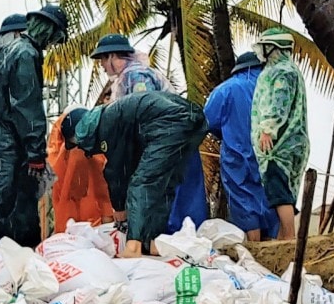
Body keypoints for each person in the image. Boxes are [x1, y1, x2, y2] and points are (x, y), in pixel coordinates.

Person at [60, 89, 208, 258]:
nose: (80, 147)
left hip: (171, 123)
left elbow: (117, 172)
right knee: (164, 184)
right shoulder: (113, 115)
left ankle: (133, 246)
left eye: (76, 142)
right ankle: (152, 241)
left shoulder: (106, 124)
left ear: (79, 131)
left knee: (142, 182)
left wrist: (120, 208)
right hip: (193, 119)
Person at [90, 33, 207, 232]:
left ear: (112, 57)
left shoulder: (135, 76)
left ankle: (169, 237)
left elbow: (144, 114)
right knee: (183, 194)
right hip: (178, 136)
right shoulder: (130, 76)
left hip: (168, 140)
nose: (101, 65)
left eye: (102, 59)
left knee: (168, 193)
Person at [0, 3, 68, 248]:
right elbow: (28, 108)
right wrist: (35, 151)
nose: (52, 44)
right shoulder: (27, 54)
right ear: (49, 31)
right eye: (55, 38)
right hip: (14, 143)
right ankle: (17, 253)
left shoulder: (2, 52)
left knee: (1, 198)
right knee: (18, 203)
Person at [202, 52, 277, 241]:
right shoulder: (273, 89)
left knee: (242, 197)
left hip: (237, 153)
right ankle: (275, 244)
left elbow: (208, 121)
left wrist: (225, 133)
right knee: (272, 197)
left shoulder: (225, 89)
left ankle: (253, 244)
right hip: (272, 153)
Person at [251, 26, 310, 240]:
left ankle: (290, 237)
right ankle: (286, 237)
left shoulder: (281, 72)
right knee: (283, 190)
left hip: (279, 144)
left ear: (272, 48)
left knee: (279, 191)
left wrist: (268, 130)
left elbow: (278, 103)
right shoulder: (287, 69)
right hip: (289, 142)